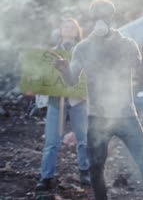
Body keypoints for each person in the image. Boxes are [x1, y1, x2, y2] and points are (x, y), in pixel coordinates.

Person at [54, 0, 143, 200]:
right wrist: (63, 69)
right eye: (97, 17)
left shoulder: (127, 44)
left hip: (126, 115)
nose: (101, 21)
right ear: (92, 20)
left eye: (105, 17)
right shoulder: (83, 48)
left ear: (112, 18)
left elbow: (142, 76)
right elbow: (71, 80)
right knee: (96, 166)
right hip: (97, 117)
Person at [36, 18, 90, 192]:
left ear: (77, 32)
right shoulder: (49, 53)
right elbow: (43, 76)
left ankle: (85, 171)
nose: (68, 30)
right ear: (60, 30)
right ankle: (46, 177)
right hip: (56, 101)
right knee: (52, 141)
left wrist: (86, 93)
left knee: (83, 139)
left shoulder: (83, 52)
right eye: (65, 27)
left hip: (78, 101)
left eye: (72, 27)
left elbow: (90, 75)